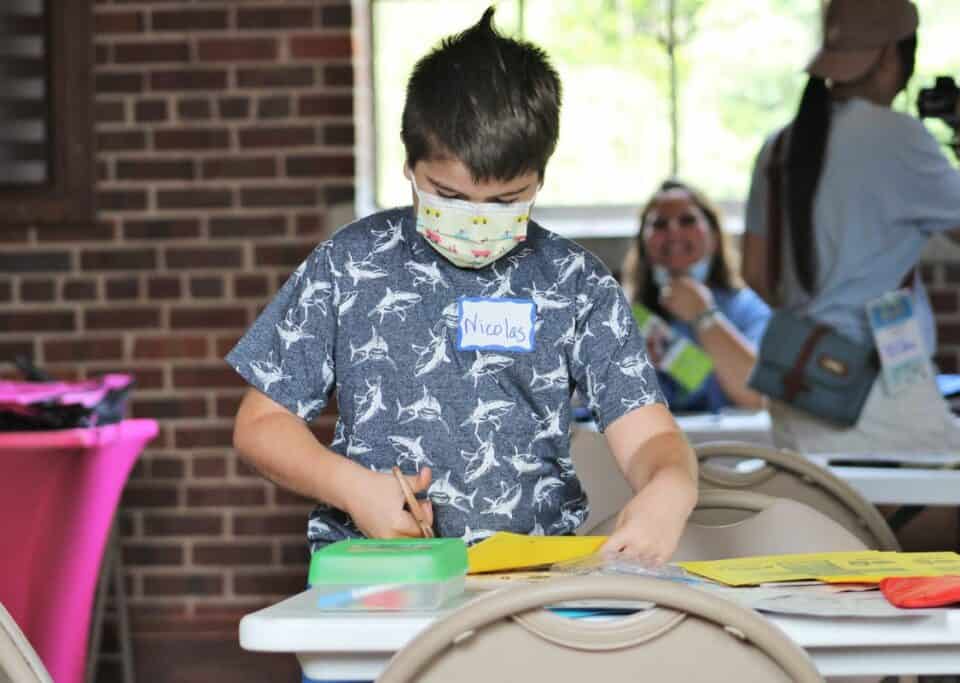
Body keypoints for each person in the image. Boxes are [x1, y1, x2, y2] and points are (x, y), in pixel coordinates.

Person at [227, 8, 697, 565]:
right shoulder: (348, 264)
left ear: (540, 178)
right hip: (374, 578)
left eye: (503, 202)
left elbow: (648, 437)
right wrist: (352, 488)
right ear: (409, 166)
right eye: (448, 195)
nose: (475, 220)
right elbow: (261, 425)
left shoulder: (577, 284)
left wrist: (670, 490)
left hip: (534, 583)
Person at [742, 0, 960, 452]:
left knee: (826, 522)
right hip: (879, 389)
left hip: (797, 382)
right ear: (889, 56)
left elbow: (756, 274)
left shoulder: (779, 145)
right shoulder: (900, 137)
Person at [621, 179, 770, 413]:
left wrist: (705, 316)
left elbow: (759, 396)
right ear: (643, 242)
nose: (673, 231)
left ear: (714, 236)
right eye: (659, 224)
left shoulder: (749, 309)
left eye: (687, 220)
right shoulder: (620, 317)